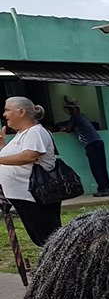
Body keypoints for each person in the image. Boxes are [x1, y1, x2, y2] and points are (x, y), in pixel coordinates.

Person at [0, 97, 60, 246]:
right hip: (23, 196)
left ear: (21, 112)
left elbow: (30, 156)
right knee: (42, 239)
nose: (4, 114)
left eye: (7, 110)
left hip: (35, 196)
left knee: (49, 239)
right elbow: (11, 159)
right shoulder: (22, 134)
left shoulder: (35, 132)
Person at [54, 97, 109, 197]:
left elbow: (68, 129)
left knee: (96, 167)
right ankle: (106, 187)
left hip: (91, 144)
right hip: (98, 142)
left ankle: (103, 189)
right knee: (101, 166)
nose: (70, 111)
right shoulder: (82, 117)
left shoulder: (75, 117)